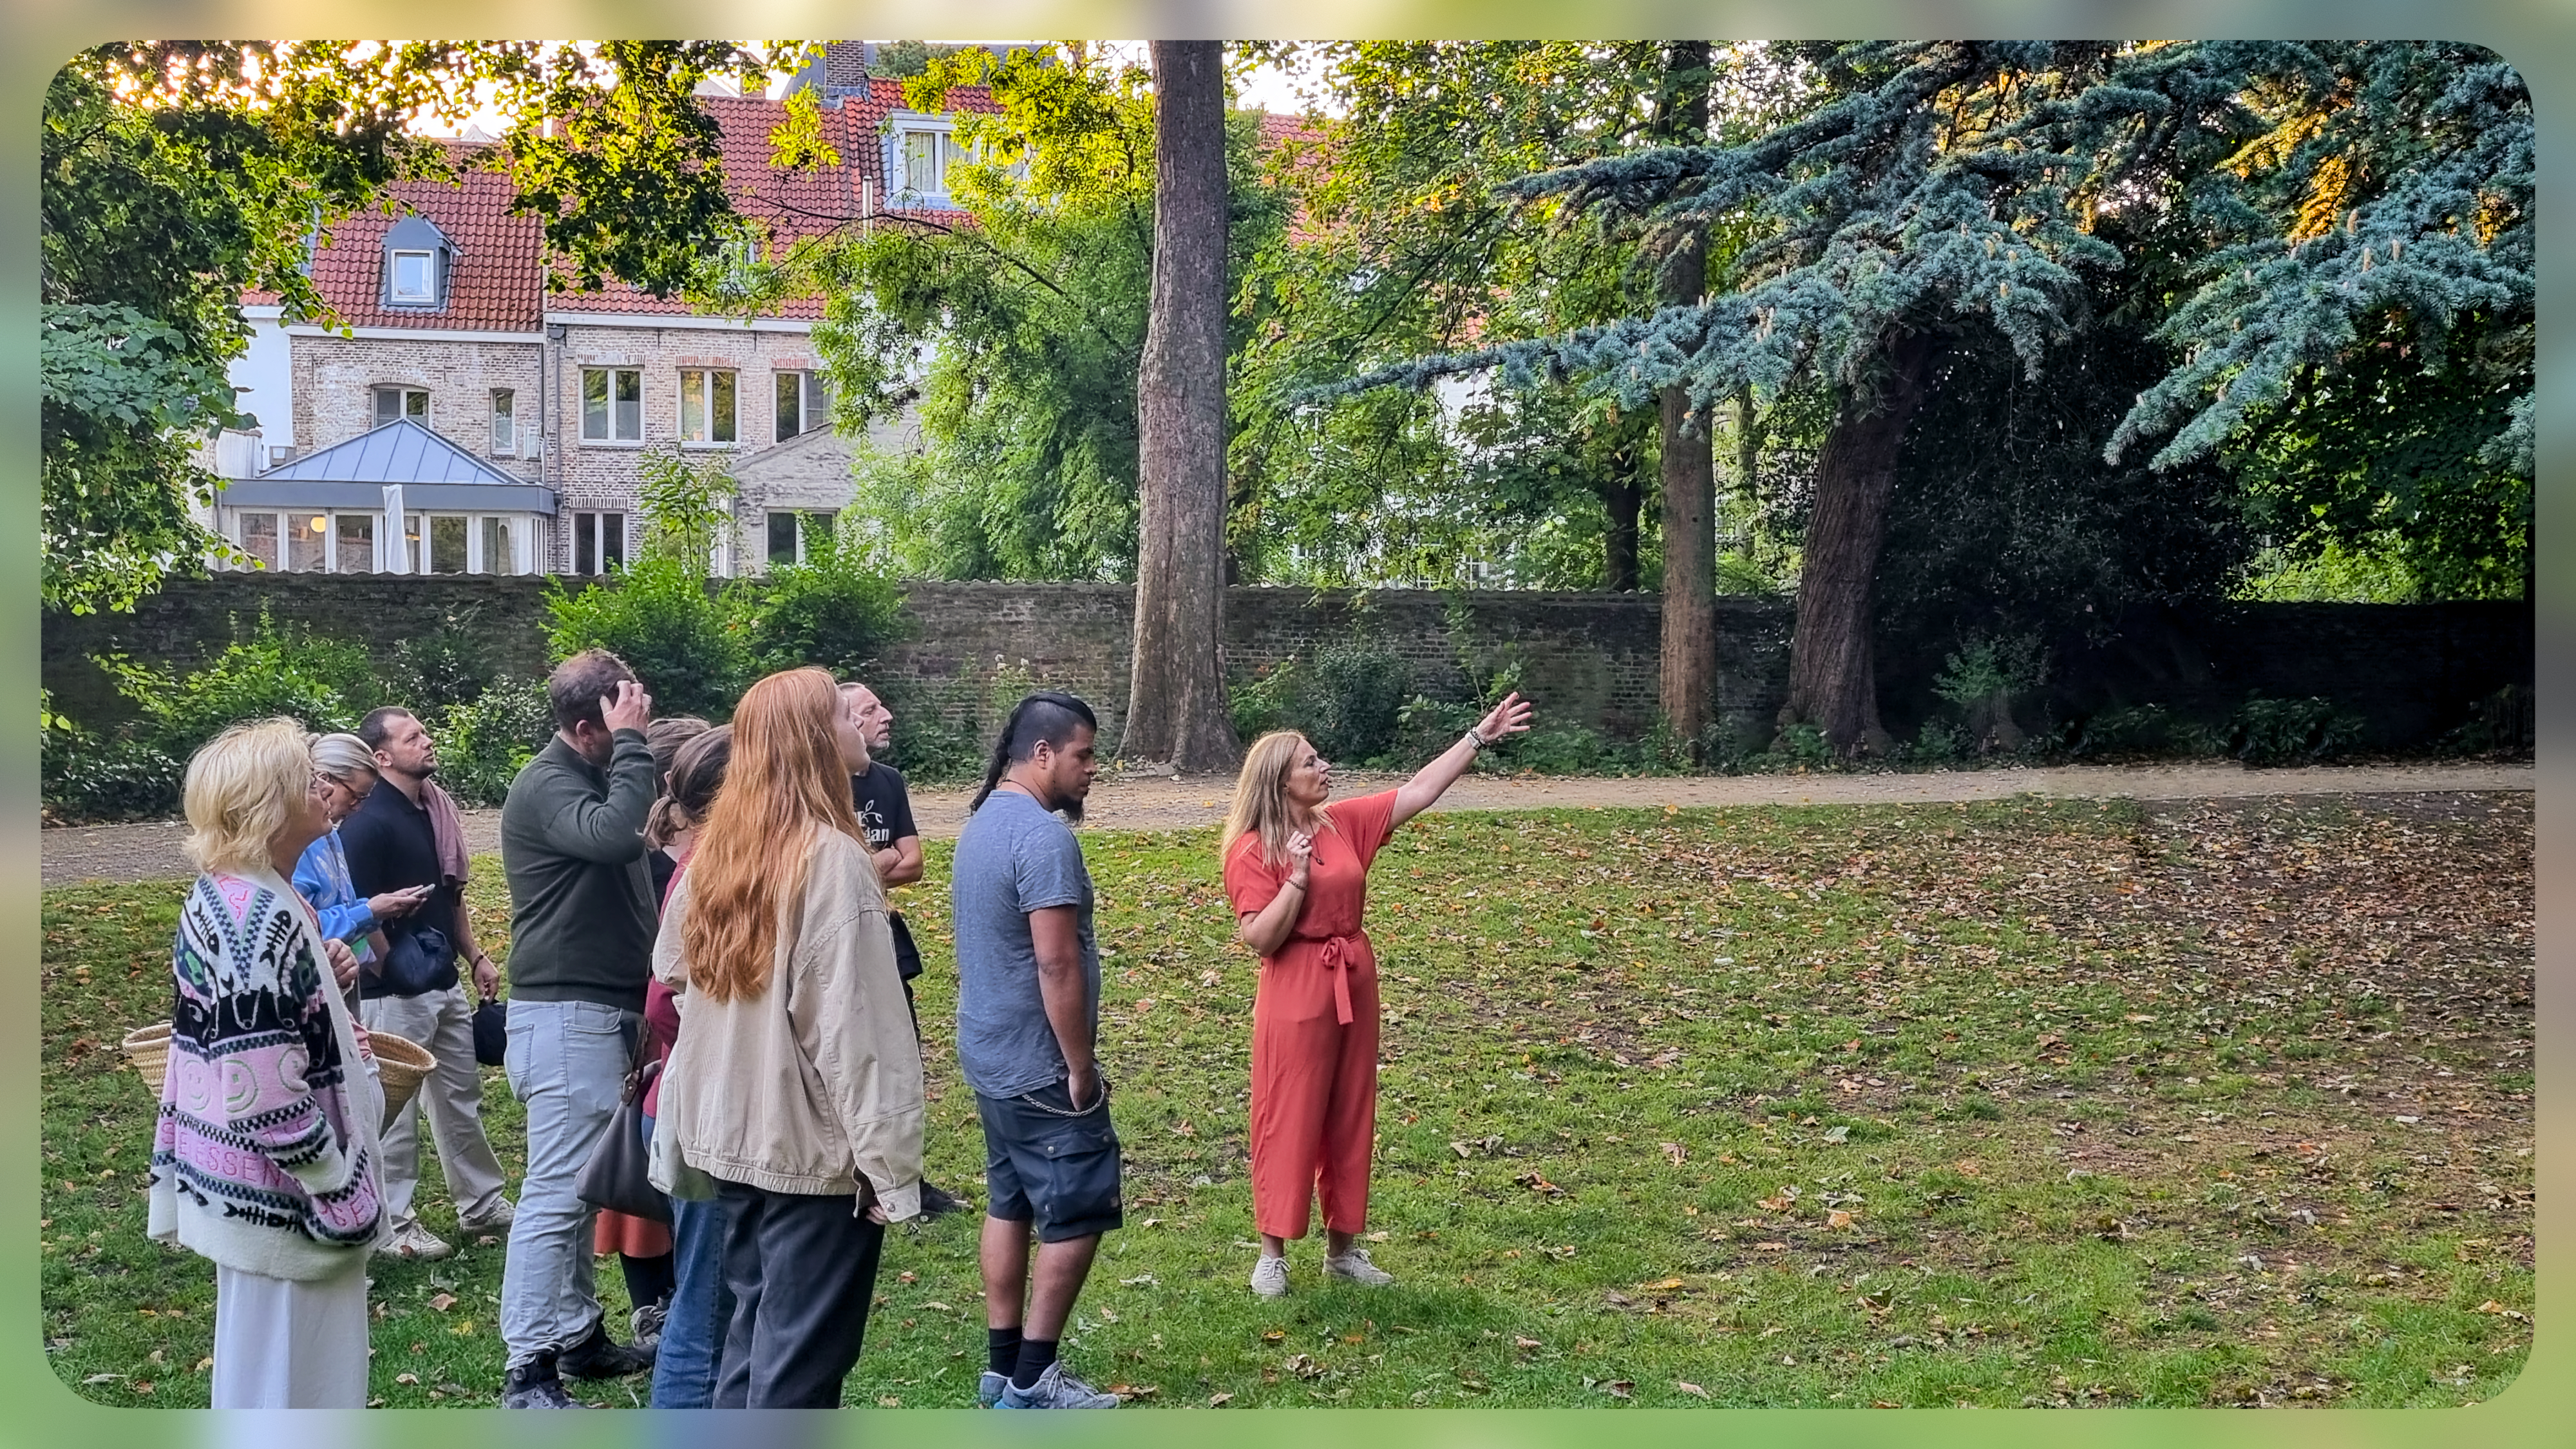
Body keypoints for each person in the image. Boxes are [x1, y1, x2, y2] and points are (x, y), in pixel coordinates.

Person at [653, 668, 925, 1408]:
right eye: (845, 712)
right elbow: (856, 1034)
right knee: (797, 1370)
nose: (861, 720)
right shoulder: (832, 860)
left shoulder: (722, 851)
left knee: (749, 1344)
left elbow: (673, 970)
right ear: (814, 738)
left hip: (732, 1139)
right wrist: (887, 1168)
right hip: (808, 1151)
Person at [1222, 691, 1533, 1298]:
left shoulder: (1341, 823)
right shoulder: (1253, 848)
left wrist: (1478, 737)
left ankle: (1343, 1251)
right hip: (1296, 985)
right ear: (1280, 783)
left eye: (1320, 760)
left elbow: (1417, 791)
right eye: (1310, 763)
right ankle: (1272, 1253)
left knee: (1350, 1110)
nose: (1324, 768)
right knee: (1288, 1112)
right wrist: (1297, 879)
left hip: (1354, 978)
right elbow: (1259, 937)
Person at [149, 717, 389, 1408]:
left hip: (266, 1199)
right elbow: (260, 1091)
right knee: (294, 1388)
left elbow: (261, 1022)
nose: (324, 789)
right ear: (268, 802)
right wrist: (334, 1181)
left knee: (273, 1380)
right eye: (304, 777)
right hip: (289, 1203)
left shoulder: (251, 893)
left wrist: (326, 977)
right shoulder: (254, 913)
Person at [497, 650, 661, 1408]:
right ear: (589, 726)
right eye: (629, 714)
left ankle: (577, 1336)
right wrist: (633, 748)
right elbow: (618, 836)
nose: (644, 723)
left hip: (597, 1011)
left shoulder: (592, 773)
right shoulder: (547, 784)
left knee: (579, 1191)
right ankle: (527, 1366)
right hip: (565, 1016)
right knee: (557, 1194)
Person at [952, 692, 1121, 1410]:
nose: (1092, 771)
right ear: (1043, 753)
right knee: (1076, 1210)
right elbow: (1056, 964)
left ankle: (1001, 1368)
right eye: (1083, 756)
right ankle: (1032, 1380)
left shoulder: (983, 821)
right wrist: (1079, 1066)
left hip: (988, 1054)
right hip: (1039, 1064)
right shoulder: (1044, 839)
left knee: (1010, 1201)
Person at [339, 706, 515, 1262]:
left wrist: (475, 955)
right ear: (383, 756)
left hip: (443, 983)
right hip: (392, 994)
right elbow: (352, 911)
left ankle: (481, 1202)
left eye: (425, 733)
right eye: (412, 737)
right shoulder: (367, 824)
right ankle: (396, 1222)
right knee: (394, 1110)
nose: (428, 741)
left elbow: (450, 896)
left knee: (460, 1097)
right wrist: (390, 969)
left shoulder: (434, 812)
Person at [589, 714, 710, 1354]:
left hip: (661, 1026)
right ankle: (653, 1307)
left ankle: (667, 1304)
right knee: (646, 1172)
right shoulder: (654, 858)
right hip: (658, 1031)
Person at [840, 679, 966, 1218]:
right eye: (868, 710)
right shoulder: (819, 789)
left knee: (902, 1057)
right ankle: (855, 1182)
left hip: (887, 937)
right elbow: (831, 874)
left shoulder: (888, 781)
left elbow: (913, 862)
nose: (885, 715)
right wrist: (880, 859)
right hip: (843, 943)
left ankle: (906, 1182)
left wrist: (867, 865)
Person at [641, 725, 735, 1408]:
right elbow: (663, 1004)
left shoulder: (713, 862)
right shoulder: (705, 870)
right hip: (701, 1111)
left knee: (715, 1303)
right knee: (702, 1312)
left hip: (703, 1104)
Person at [294, 732, 431, 1008]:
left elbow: (340, 905)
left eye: (364, 799)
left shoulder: (330, 835)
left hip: (343, 980)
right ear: (325, 779)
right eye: (355, 796)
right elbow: (301, 929)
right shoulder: (296, 845)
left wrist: (382, 908)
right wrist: (369, 911)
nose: (357, 808)